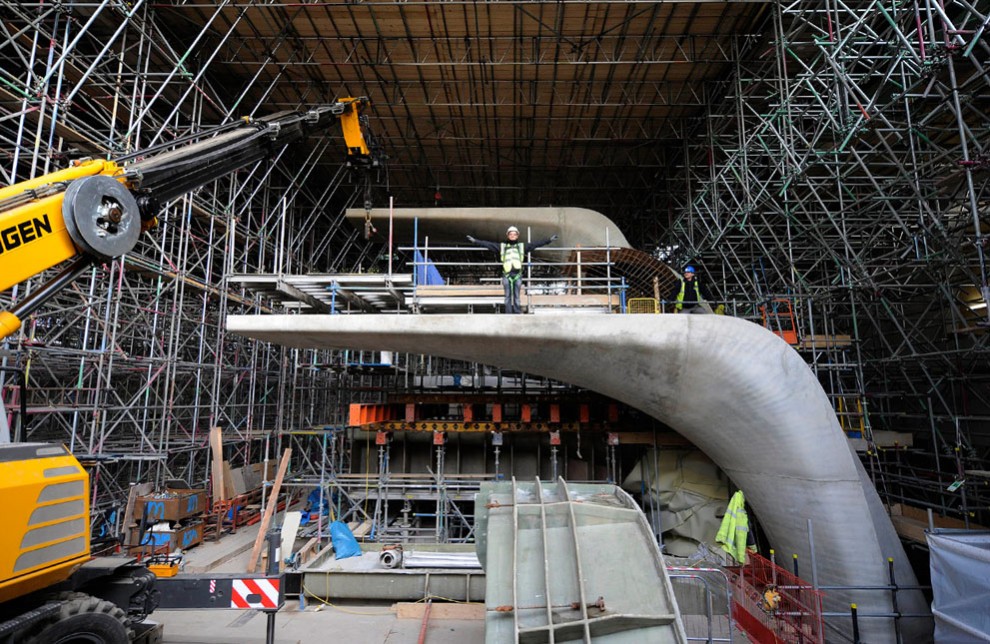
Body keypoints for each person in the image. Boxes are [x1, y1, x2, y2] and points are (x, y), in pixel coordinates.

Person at [467, 226, 558, 314]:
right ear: (508, 235)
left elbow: (535, 244)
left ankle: (517, 313)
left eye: (514, 234)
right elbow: (489, 244)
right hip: (506, 275)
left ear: (517, 236)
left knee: (516, 296)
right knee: (507, 296)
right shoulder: (502, 247)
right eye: (511, 234)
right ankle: (508, 314)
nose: (512, 236)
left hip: (517, 275)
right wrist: (475, 241)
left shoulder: (522, 246)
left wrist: (548, 240)